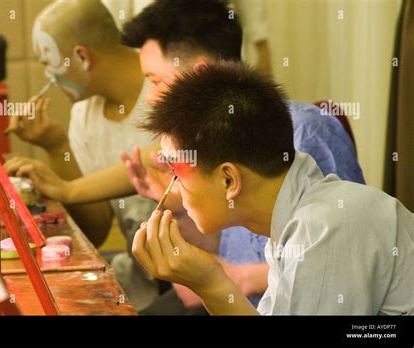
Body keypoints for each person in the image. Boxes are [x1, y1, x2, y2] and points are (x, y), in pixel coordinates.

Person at [6, 0, 365, 314]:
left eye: (156, 80)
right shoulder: (217, 144)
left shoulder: (307, 133)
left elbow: (342, 264)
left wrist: (232, 279)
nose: (150, 97)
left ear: (201, 73)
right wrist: (182, 208)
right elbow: (236, 246)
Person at [132, 61, 414, 315]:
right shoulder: (289, 223)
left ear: (228, 180)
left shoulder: (324, 228)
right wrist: (210, 282)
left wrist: (210, 282)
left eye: (175, 172)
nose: (173, 190)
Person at [4, 0, 159, 311]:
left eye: (48, 62)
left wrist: (65, 188)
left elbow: (161, 158)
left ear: (81, 56)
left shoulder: (163, 88)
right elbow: (97, 232)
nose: (48, 77)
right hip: (139, 286)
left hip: (191, 286)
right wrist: (57, 148)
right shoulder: (84, 115)